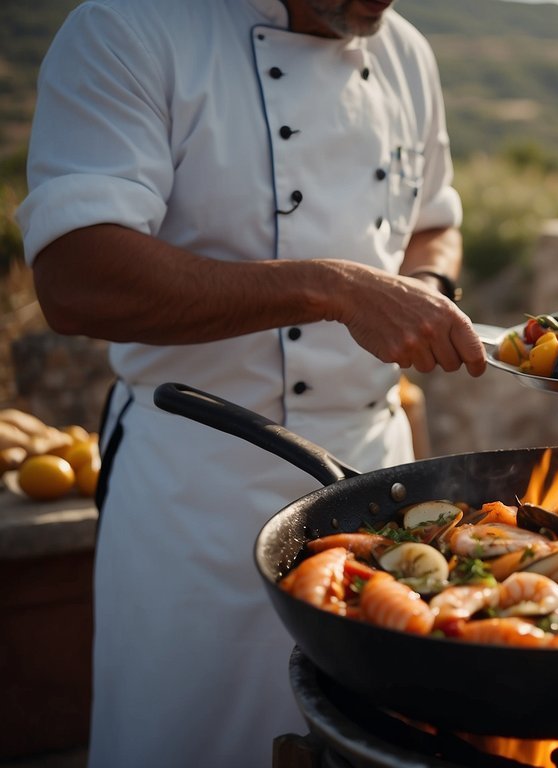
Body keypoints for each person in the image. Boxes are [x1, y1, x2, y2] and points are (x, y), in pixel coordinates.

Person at [16, 0, 485, 765]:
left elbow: (436, 218)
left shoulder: (404, 52)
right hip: (198, 496)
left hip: (374, 487)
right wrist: (333, 289)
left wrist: (425, 286)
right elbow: (75, 277)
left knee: (367, 744)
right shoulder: (129, 28)